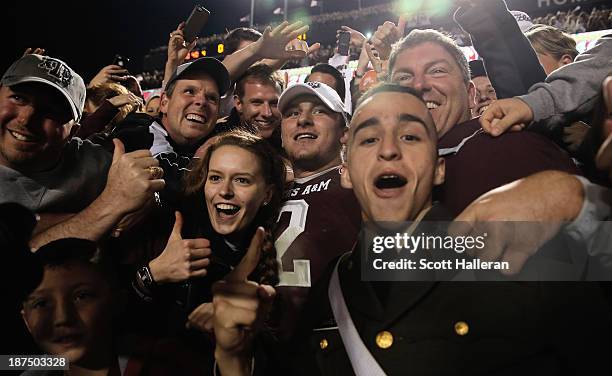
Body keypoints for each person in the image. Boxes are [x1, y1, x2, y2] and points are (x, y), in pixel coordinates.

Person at [211, 84, 612, 376]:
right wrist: (233, 360)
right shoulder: (329, 287)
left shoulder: (516, 249)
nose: (388, 149)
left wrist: (586, 200)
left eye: (409, 135)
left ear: (439, 167)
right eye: (369, 138)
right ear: (347, 172)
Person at [125, 131, 284, 374]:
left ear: (267, 195)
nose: (225, 191)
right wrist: (152, 275)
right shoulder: (169, 229)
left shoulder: (275, 248)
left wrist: (240, 331)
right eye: (216, 178)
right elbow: (109, 323)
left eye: (242, 180)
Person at [386, 29, 580, 215]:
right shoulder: (370, 170)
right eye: (404, 77)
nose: (419, 85)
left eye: (437, 71)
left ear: (471, 95)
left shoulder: (514, 149)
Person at [0, 54, 163, 249]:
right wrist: (108, 207)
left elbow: (148, 195)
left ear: (74, 132)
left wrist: (148, 200)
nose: (26, 119)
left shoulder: (93, 162)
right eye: (18, 98)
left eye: (51, 110)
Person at [272, 81, 362, 338]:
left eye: (319, 111)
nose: (303, 120)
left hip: (340, 343)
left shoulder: (361, 180)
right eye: (292, 114)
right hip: (273, 347)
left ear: (344, 132)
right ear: (281, 133)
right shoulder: (265, 189)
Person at [214, 64, 284, 141]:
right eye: (257, 102)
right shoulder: (216, 140)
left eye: (274, 103)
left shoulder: (289, 138)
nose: (267, 113)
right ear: (238, 103)